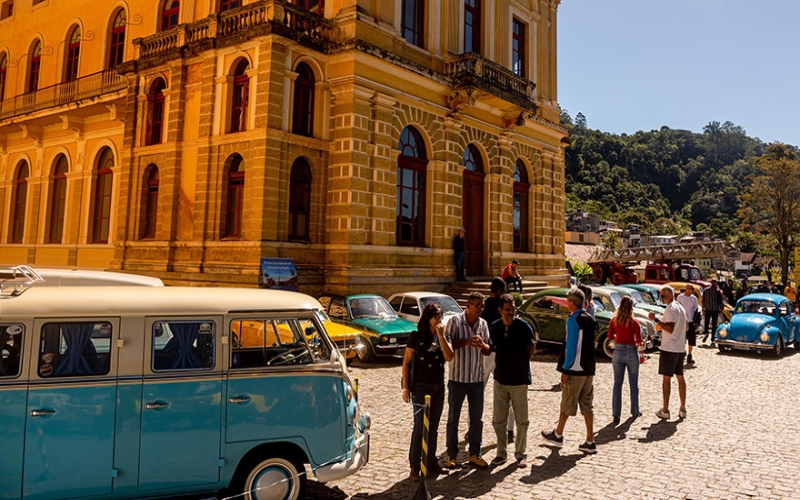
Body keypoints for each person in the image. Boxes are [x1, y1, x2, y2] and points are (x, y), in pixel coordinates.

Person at [402, 303, 454, 482]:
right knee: (419, 427)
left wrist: (441, 335)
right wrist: (406, 387)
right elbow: (407, 362)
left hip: (438, 387)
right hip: (420, 387)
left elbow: (449, 357)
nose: (439, 319)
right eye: (436, 316)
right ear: (428, 318)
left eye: (441, 315)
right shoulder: (416, 336)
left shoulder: (443, 336)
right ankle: (415, 466)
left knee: (433, 427)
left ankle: (431, 461)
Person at [541, 288, 598, 454]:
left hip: (575, 369)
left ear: (573, 302)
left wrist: (565, 368)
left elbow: (571, 347)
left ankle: (558, 435)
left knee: (566, 403)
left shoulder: (573, 320)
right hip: (588, 369)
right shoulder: (589, 318)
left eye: (568, 300)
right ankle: (589, 439)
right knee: (587, 405)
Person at [444, 292, 491, 469]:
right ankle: (451, 454)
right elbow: (448, 345)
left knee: (477, 419)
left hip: (477, 379)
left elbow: (488, 349)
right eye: (477, 305)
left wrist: (482, 346)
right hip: (458, 378)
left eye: (482, 306)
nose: (480, 309)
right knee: (453, 418)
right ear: (468, 305)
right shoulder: (454, 322)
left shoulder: (483, 324)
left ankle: (474, 453)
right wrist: (466, 341)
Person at [490, 294, 536, 467]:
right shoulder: (495, 327)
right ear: (500, 310)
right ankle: (501, 454)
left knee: (522, 420)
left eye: (513, 309)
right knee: (498, 420)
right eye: (507, 309)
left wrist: (522, 364)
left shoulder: (524, 327)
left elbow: (531, 347)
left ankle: (520, 454)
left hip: (519, 380)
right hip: (500, 379)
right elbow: (493, 347)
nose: (510, 312)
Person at [479, 278, 515, 444]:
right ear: (501, 291)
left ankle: (474, 427)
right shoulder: (505, 309)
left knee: (478, 390)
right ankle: (510, 430)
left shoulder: (483, 306)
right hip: (502, 354)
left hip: (485, 352)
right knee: (508, 392)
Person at [648, 287, 687, 420]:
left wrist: (656, 320)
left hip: (670, 348)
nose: (661, 299)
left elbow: (669, 328)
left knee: (666, 379)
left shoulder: (670, 308)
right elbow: (685, 326)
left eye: (663, 296)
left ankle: (665, 410)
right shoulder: (680, 307)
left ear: (670, 295)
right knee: (680, 377)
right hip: (680, 347)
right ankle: (682, 408)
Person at [607, 296, 642, 423]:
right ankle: (634, 411)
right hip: (631, 351)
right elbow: (639, 340)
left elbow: (610, 336)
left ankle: (616, 413)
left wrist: (618, 338)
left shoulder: (614, 320)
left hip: (618, 351)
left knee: (617, 384)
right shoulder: (635, 322)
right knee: (633, 383)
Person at [676, 284, 699, 364]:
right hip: (682, 322)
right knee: (682, 339)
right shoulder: (680, 297)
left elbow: (696, 310)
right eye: (688, 288)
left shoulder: (694, 299)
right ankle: (682, 352)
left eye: (691, 289)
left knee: (691, 339)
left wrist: (696, 321)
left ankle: (690, 354)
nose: (690, 290)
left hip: (691, 321)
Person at [702, 279, 722, 346]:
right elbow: (720, 302)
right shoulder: (717, 291)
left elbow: (703, 300)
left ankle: (706, 333)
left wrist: (703, 309)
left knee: (706, 322)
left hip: (707, 309)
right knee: (714, 325)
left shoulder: (706, 290)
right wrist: (721, 309)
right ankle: (712, 339)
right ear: (716, 283)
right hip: (714, 309)